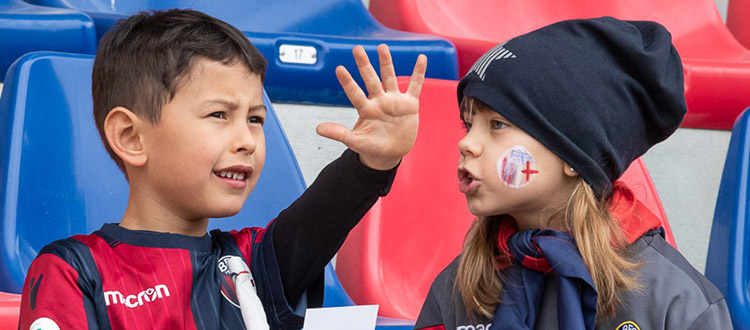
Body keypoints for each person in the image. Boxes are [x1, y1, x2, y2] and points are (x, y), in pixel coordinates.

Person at [18, 9, 426, 330]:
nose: (247, 139)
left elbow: (323, 216)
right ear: (130, 137)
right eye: (218, 114)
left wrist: (375, 160)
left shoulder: (256, 264)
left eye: (255, 119)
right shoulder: (73, 271)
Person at [414, 17, 733, 330]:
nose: (467, 143)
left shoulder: (675, 301)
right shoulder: (460, 288)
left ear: (573, 155)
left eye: (498, 124)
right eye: (468, 125)